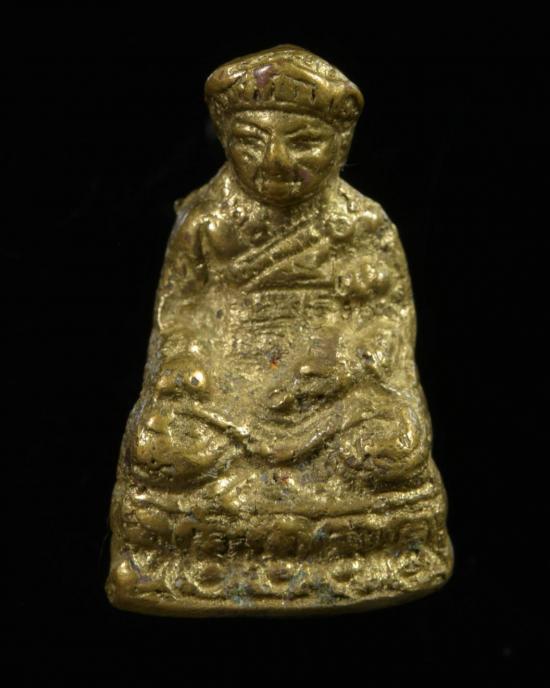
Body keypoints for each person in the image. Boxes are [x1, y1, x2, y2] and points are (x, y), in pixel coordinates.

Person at [107, 45, 453, 615]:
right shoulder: (206, 222)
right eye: (250, 140)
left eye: (304, 142)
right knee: (159, 446)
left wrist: (348, 366)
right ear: (226, 140)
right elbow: (182, 314)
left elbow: (387, 322)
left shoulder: (363, 226)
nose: (274, 160)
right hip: (228, 392)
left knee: (396, 448)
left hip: (334, 397)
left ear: (340, 143)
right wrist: (189, 364)